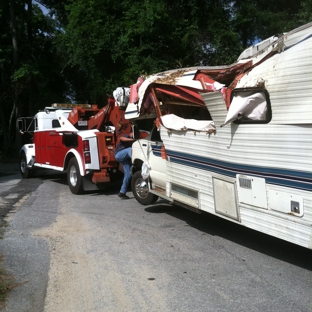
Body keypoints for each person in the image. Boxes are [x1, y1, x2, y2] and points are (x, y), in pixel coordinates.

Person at [114, 132, 135, 199]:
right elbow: (121, 138)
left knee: (128, 174)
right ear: (131, 133)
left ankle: (122, 192)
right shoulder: (127, 135)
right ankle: (136, 162)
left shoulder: (132, 142)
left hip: (124, 158)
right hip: (119, 154)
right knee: (130, 150)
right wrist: (132, 139)